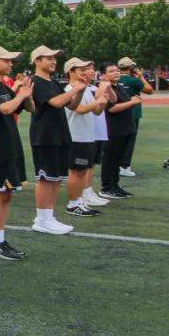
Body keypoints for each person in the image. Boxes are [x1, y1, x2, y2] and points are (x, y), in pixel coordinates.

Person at [0, 47, 33, 261]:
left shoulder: (3, 85)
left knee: (7, 193)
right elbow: (5, 109)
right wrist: (20, 95)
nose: (11, 64)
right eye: (6, 60)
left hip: (11, 143)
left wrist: (26, 95)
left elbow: (28, 108)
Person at [28, 46, 84, 235]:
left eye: (54, 58)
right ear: (37, 61)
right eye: (48, 58)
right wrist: (75, 88)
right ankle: (42, 219)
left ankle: (49, 216)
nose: (53, 61)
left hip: (59, 135)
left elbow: (72, 105)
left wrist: (80, 91)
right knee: (46, 179)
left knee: (56, 178)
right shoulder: (36, 82)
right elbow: (57, 102)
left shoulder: (53, 82)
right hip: (44, 137)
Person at [62, 59, 109, 218]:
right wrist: (98, 100)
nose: (85, 72)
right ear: (71, 72)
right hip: (76, 137)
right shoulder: (70, 88)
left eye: (86, 68)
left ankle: (79, 200)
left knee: (82, 172)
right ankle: (73, 203)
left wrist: (102, 99)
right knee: (77, 172)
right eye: (80, 69)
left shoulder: (86, 89)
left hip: (87, 136)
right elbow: (80, 109)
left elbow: (96, 111)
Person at [100, 63, 141, 199]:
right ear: (103, 75)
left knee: (117, 160)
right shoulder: (105, 88)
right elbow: (111, 108)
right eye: (111, 71)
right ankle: (107, 188)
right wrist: (132, 102)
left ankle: (115, 186)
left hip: (125, 128)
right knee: (110, 159)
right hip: (114, 130)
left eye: (117, 70)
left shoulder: (119, 87)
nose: (116, 73)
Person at [117, 57, 154, 176]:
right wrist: (141, 77)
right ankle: (125, 166)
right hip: (132, 114)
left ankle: (116, 165)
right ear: (131, 67)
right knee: (129, 141)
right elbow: (149, 90)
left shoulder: (115, 79)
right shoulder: (133, 80)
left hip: (116, 113)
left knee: (117, 140)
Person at [85, 63, 113, 206]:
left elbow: (111, 100)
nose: (91, 71)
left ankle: (89, 191)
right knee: (85, 166)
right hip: (88, 132)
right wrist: (102, 89)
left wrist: (107, 86)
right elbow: (96, 101)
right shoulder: (82, 89)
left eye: (92, 68)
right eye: (87, 68)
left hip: (99, 131)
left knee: (92, 164)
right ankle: (84, 193)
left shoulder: (95, 87)